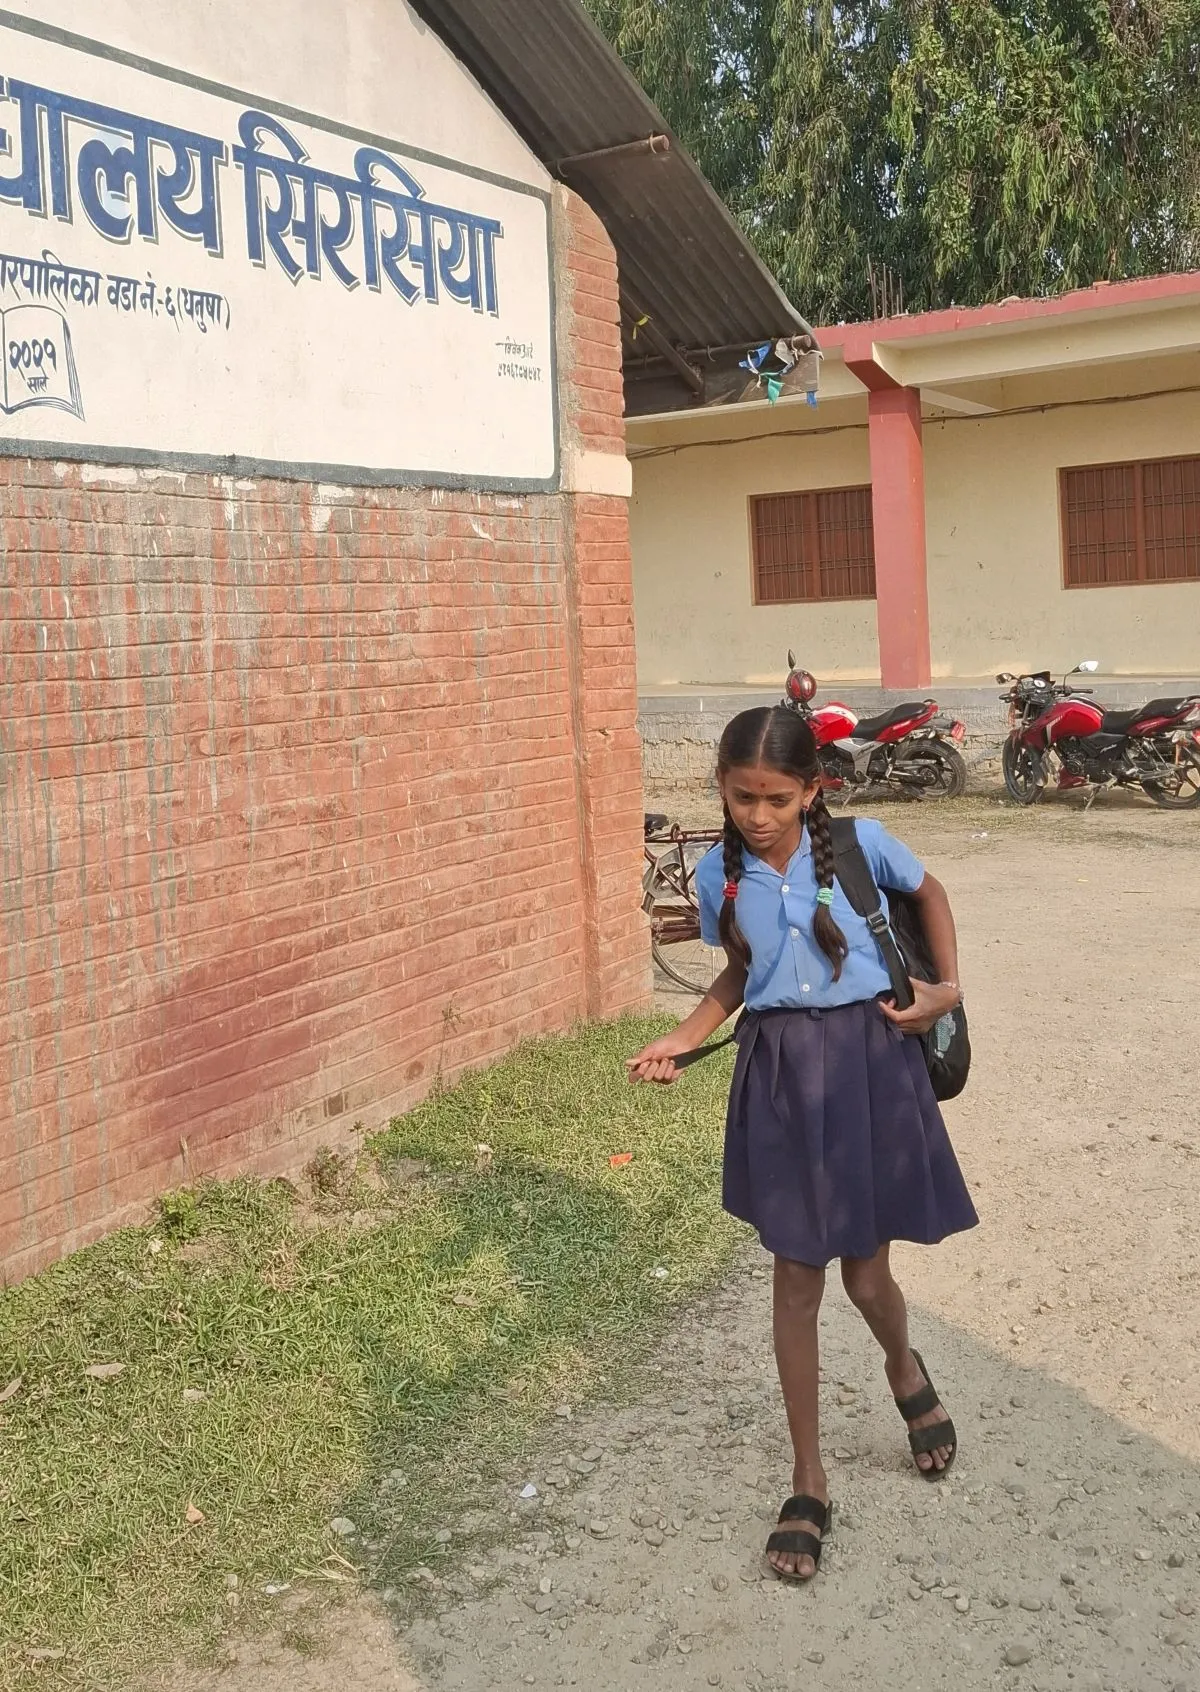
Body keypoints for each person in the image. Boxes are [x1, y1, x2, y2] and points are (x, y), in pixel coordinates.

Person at [627, 706, 978, 1584]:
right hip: (780, 1077)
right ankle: (808, 1480)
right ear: (720, 787)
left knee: (867, 1274)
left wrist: (945, 989)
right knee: (796, 1278)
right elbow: (741, 973)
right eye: (742, 796)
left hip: (867, 1066)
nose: (757, 815)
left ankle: (903, 1368)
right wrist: (681, 1035)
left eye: (777, 799)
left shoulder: (861, 845)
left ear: (812, 788)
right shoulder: (721, 875)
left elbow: (930, 894)